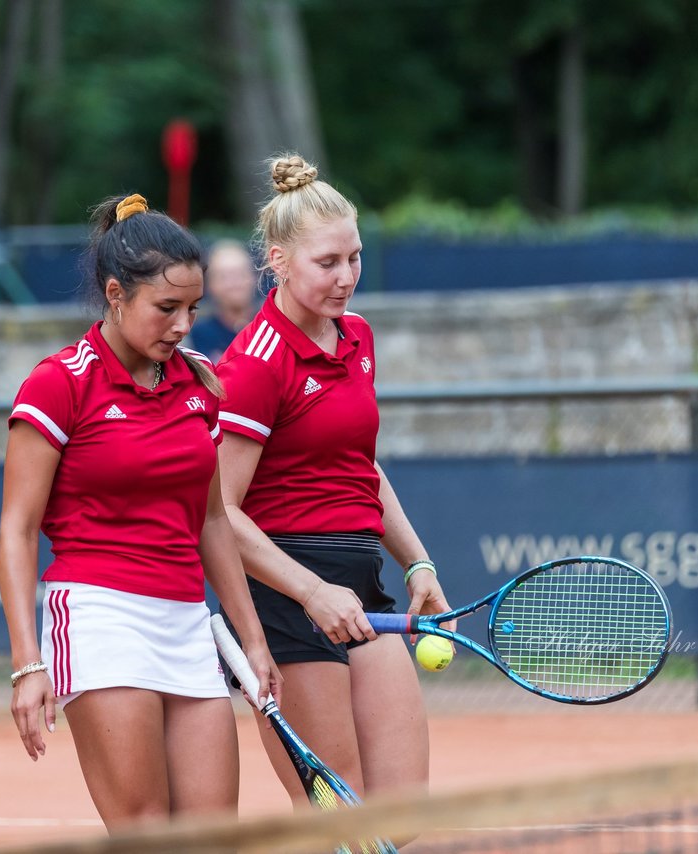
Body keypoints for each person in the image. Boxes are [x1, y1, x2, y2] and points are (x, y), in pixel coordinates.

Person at [0, 194, 281, 829]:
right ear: (117, 294)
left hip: (185, 620)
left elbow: (211, 521)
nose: (182, 325)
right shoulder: (58, 383)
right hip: (100, 618)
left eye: (192, 309)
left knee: (211, 833)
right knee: (146, 831)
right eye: (166, 308)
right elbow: (16, 531)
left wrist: (253, 640)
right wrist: (27, 664)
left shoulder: (198, 383)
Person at [214, 155, 452, 812]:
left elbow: (361, 468)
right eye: (328, 263)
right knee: (336, 825)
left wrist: (418, 561)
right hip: (287, 601)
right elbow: (219, 512)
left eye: (355, 258)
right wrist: (312, 592)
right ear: (279, 260)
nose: (346, 277)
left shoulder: (359, 337)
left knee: (396, 817)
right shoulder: (256, 364)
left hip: (362, 588)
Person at [186, 239, 260, 362]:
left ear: (253, 278)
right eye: (224, 277)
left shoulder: (270, 325)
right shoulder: (197, 333)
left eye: (240, 274)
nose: (234, 283)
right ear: (210, 285)